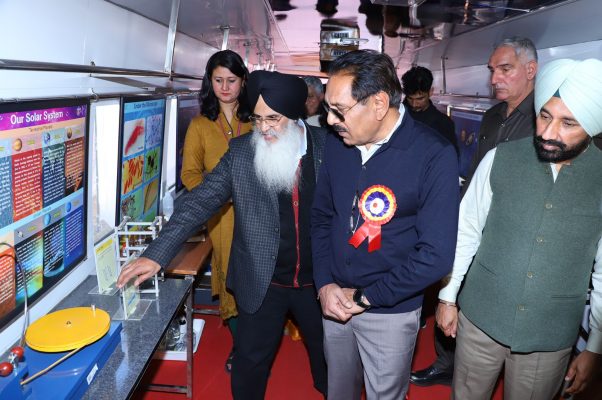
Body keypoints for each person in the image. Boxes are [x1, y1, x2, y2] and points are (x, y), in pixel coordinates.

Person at [117, 70, 328, 400]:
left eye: (273, 119)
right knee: (250, 362)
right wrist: (156, 253)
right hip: (263, 279)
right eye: (257, 119)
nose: (264, 128)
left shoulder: (329, 148)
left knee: (328, 358)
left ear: (295, 115)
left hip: (320, 281)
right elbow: (199, 202)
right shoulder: (243, 152)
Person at [436, 58, 602, 399]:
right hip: (481, 317)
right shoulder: (500, 158)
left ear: (593, 126)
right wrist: (448, 297)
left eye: (568, 123)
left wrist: (595, 346)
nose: (548, 133)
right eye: (544, 116)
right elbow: (466, 229)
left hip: (549, 333)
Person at [312, 49, 459, 400]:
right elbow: (321, 217)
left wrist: (367, 297)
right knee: (339, 392)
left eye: (339, 110)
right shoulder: (337, 145)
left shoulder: (434, 155)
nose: (331, 121)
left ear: (378, 104)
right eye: (327, 109)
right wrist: (324, 283)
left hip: (390, 312)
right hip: (333, 302)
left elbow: (436, 255)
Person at [410, 36, 538, 387]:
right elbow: (480, 170)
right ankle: (447, 360)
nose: (495, 78)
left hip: (512, 230)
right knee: (452, 285)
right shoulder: (494, 115)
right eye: (492, 70)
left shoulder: (545, 120)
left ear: (531, 69)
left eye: (505, 69)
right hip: (475, 219)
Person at [179, 49, 252, 373]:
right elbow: (190, 175)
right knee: (230, 278)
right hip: (221, 218)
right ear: (210, 82)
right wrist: (217, 197)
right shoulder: (199, 125)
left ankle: (258, 333)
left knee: (258, 275)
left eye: (231, 80)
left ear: (243, 81)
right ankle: (242, 345)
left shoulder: (257, 118)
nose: (225, 87)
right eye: (218, 80)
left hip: (257, 213)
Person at [401, 65, 458, 154]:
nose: (414, 104)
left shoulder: (443, 123)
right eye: (410, 98)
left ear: (431, 92)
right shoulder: (395, 116)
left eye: (420, 99)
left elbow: (450, 158)